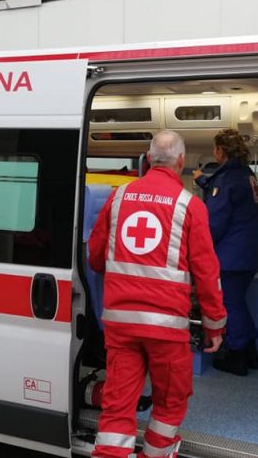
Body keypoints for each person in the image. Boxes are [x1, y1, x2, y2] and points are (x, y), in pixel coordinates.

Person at [88, 130, 227, 458]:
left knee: (117, 407)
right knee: (170, 401)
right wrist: (215, 327)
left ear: (148, 159)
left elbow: (95, 258)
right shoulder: (190, 206)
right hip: (166, 329)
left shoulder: (118, 197)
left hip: (120, 328)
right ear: (180, 162)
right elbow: (207, 275)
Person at [193, 128, 258, 376]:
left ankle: (237, 355)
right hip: (249, 253)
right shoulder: (245, 174)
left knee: (229, 304)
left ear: (220, 151)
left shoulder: (226, 179)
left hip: (231, 257)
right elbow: (221, 190)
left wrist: (197, 247)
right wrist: (202, 180)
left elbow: (215, 222)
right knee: (238, 303)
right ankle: (250, 352)